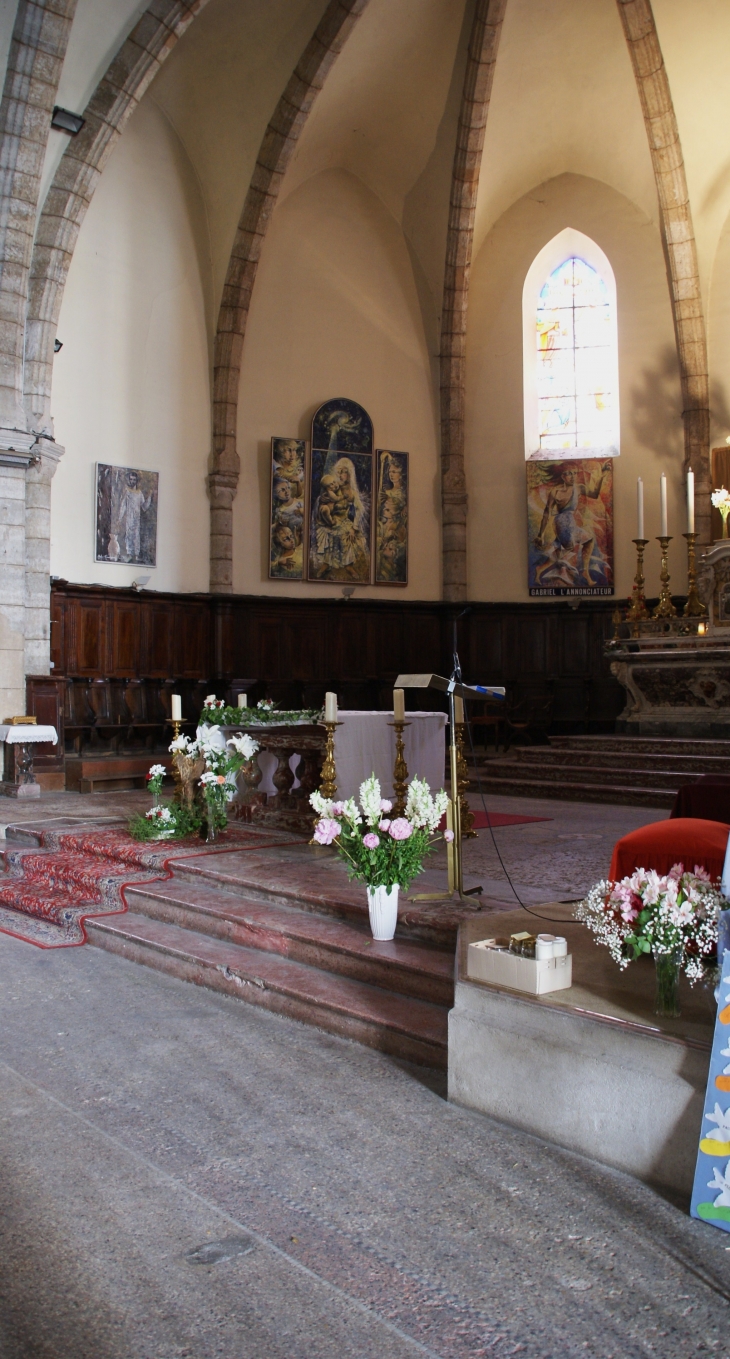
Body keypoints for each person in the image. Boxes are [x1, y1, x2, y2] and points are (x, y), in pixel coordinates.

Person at [533, 462, 610, 587]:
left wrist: (602, 476)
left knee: (587, 541)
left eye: (574, 473)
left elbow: (595, 494)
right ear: (562, 476)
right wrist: (540, 534)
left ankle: (541, 569)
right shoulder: (555, 492)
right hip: (562, 522)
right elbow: (547, 513)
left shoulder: (578, 488)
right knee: (567, 548)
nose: (572, 476)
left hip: (571, 522)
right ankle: (552, 572)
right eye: (568, 474)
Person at [115, 470, 152, 563]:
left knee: (136, 536)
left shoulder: (139, 493)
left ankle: (135, 555)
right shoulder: (127, 492)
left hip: (136, 519)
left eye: (134, 479)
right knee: (129, 536)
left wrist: (150, 497)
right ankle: (129, 555)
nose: (132, 481)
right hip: (129, 519)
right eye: (131, 479)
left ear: (136, 481)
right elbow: (123, 506)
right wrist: (119, 518)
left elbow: (144, 507)